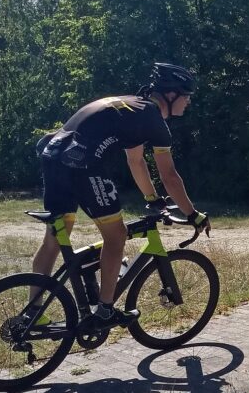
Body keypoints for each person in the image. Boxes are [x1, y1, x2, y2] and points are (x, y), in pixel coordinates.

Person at [30, 62, 211, 333]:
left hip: (54, 156)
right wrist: (192, 214)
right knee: (116, 236)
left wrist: (152, 198)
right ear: (171, 95)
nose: (188, 103)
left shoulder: (132, 109)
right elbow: (170, 175)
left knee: (54, 239)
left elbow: (136, 161)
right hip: (82, 165)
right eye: (186, 96)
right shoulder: (152, 118)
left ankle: (33, 314)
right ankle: (104, 310)